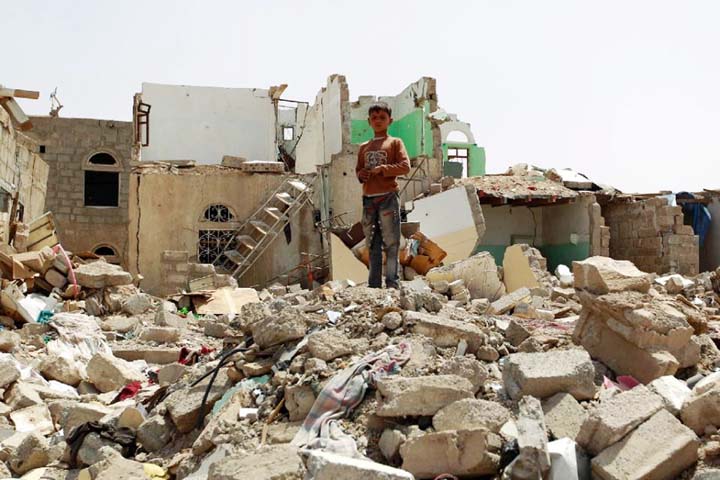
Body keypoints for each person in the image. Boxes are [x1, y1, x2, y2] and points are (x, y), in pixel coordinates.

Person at [355, 102, 410, 289]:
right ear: (369, 121)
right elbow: (358, 172)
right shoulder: (363, 147)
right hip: (369, 200)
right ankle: (374, 285)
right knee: (372, 244)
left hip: (387, 198)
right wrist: (361, 175)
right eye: (374, 118)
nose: (378, 121)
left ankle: (392, 283)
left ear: (390, 121)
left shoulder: (395, 143)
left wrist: (383, 169)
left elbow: (405, 166)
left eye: (382, 118)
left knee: (391, 242)